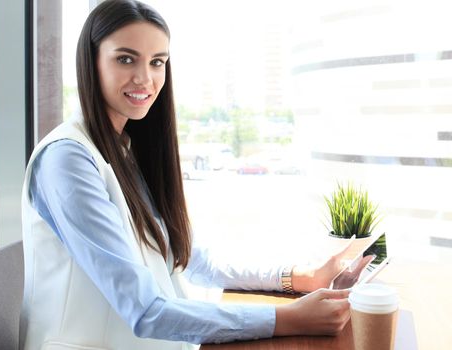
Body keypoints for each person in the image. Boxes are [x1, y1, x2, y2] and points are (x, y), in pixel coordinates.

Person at [20, 1, 370, 349]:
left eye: (157, 62)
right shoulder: (67, 161)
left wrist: (300, 278)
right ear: (91, 61)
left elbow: (197, 261)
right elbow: (146, 311)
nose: (145, 78)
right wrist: (288, 318)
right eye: (125, 59)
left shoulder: (126, 150)